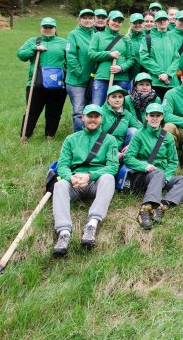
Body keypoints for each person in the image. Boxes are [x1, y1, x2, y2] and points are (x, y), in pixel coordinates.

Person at [51, 104, 118, 255]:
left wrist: (89, 176)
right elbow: (62, 165)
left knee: (108, 177)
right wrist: (71, 178)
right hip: (75, 182)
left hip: (95, 182)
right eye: (89, 116)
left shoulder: (110, 140)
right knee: (60, 184)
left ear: (101, 119)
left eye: (96, 117)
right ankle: (64, 232)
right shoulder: (71, 139)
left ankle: (92, 224)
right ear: (83, 118)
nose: (93, 120)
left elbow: (113, 167)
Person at [123, 103, 183, 230]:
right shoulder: (138, 135)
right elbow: (128, 158)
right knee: (159, 173)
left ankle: (161, 206)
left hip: (161, 176)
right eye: (151, 115)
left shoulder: (168, 137)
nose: (154, 118)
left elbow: (173, 161)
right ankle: (145, 209)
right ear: (146, 117)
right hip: (143, 176)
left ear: (162, 117)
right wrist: (144, 165)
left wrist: (166, 178)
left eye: (158, 115)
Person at [17, 17, 67, 141]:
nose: (48, 29)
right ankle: (25, 136)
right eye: (45, 27)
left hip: (57, 83)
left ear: (55, 28)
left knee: (54, 112)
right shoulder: (33, 41)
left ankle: (50, 136)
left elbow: (70, 60)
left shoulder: (64, 43)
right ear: (41, 28)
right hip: (35, 83)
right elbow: (21, 55)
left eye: (51, 27)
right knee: (32, 111)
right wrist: (34, 48)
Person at [88, 10, 134, 105]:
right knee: (98, 107)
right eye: (114, 20)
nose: (116, 23)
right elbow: (91, 54)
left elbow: (131, 59)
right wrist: (109, 54)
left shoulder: (126, 39)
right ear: (108, 21)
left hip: (121, 79)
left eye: (119, 21)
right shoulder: (98, 36)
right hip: (101, 78)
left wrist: (121, 68)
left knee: (119, 108)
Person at [65, 9, 96, 132]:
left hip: (93, 79)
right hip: (76, 81)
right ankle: (78, 136)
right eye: (85, 18)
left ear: (94, 20)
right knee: (79, 111)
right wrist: (79, 72)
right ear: (79, 20)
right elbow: (70, 56)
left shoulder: (97, 35)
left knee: (91, 109)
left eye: (90, 18)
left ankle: (90, 134)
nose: (87, 20)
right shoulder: (73, 34)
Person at [139, 10, 180, 99]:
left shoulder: (172, 38)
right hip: (155, 82)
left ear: (168, 21)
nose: (162, 22)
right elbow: (144, 58)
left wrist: (168, 74)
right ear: (155, 22)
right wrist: (161, 73)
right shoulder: (147, 39)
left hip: (172, 82)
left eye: (164, 19)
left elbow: (176, 59)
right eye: (159, 20)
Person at [126, 13, 146, 79]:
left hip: (145, 74)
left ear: (143, 23)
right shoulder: (126, 39)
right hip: (129, 74)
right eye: (135, 23)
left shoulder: (148, 38)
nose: (137, 25)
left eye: (140, 22)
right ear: (130, 24)